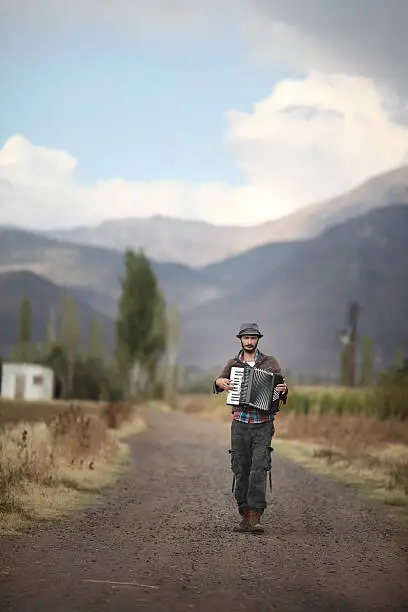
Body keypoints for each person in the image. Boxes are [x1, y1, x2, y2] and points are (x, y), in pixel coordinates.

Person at [213, 323, 288, 534]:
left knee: (259, 468)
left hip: (263, 424)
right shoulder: (233, 363)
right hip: (240, 423)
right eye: (245, 338)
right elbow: (219, 382)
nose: (249, 341)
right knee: (241, 468)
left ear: (258, 340)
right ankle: (244, 514)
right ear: (240, 339)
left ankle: (255, 517)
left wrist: (283, 390)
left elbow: (280, 390)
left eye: (253, 338)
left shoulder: (270, 363)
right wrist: (220, 382)